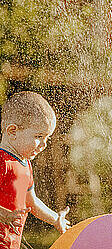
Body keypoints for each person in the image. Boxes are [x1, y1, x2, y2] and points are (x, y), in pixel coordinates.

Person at [0, 91, 70, 249]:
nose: (44, 144)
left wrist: (55, 218)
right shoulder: (2, 161)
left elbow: (32, 202)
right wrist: (3, 213)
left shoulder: (25, 165)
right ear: (13, 132)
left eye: (47, 138)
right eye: (39, 136)